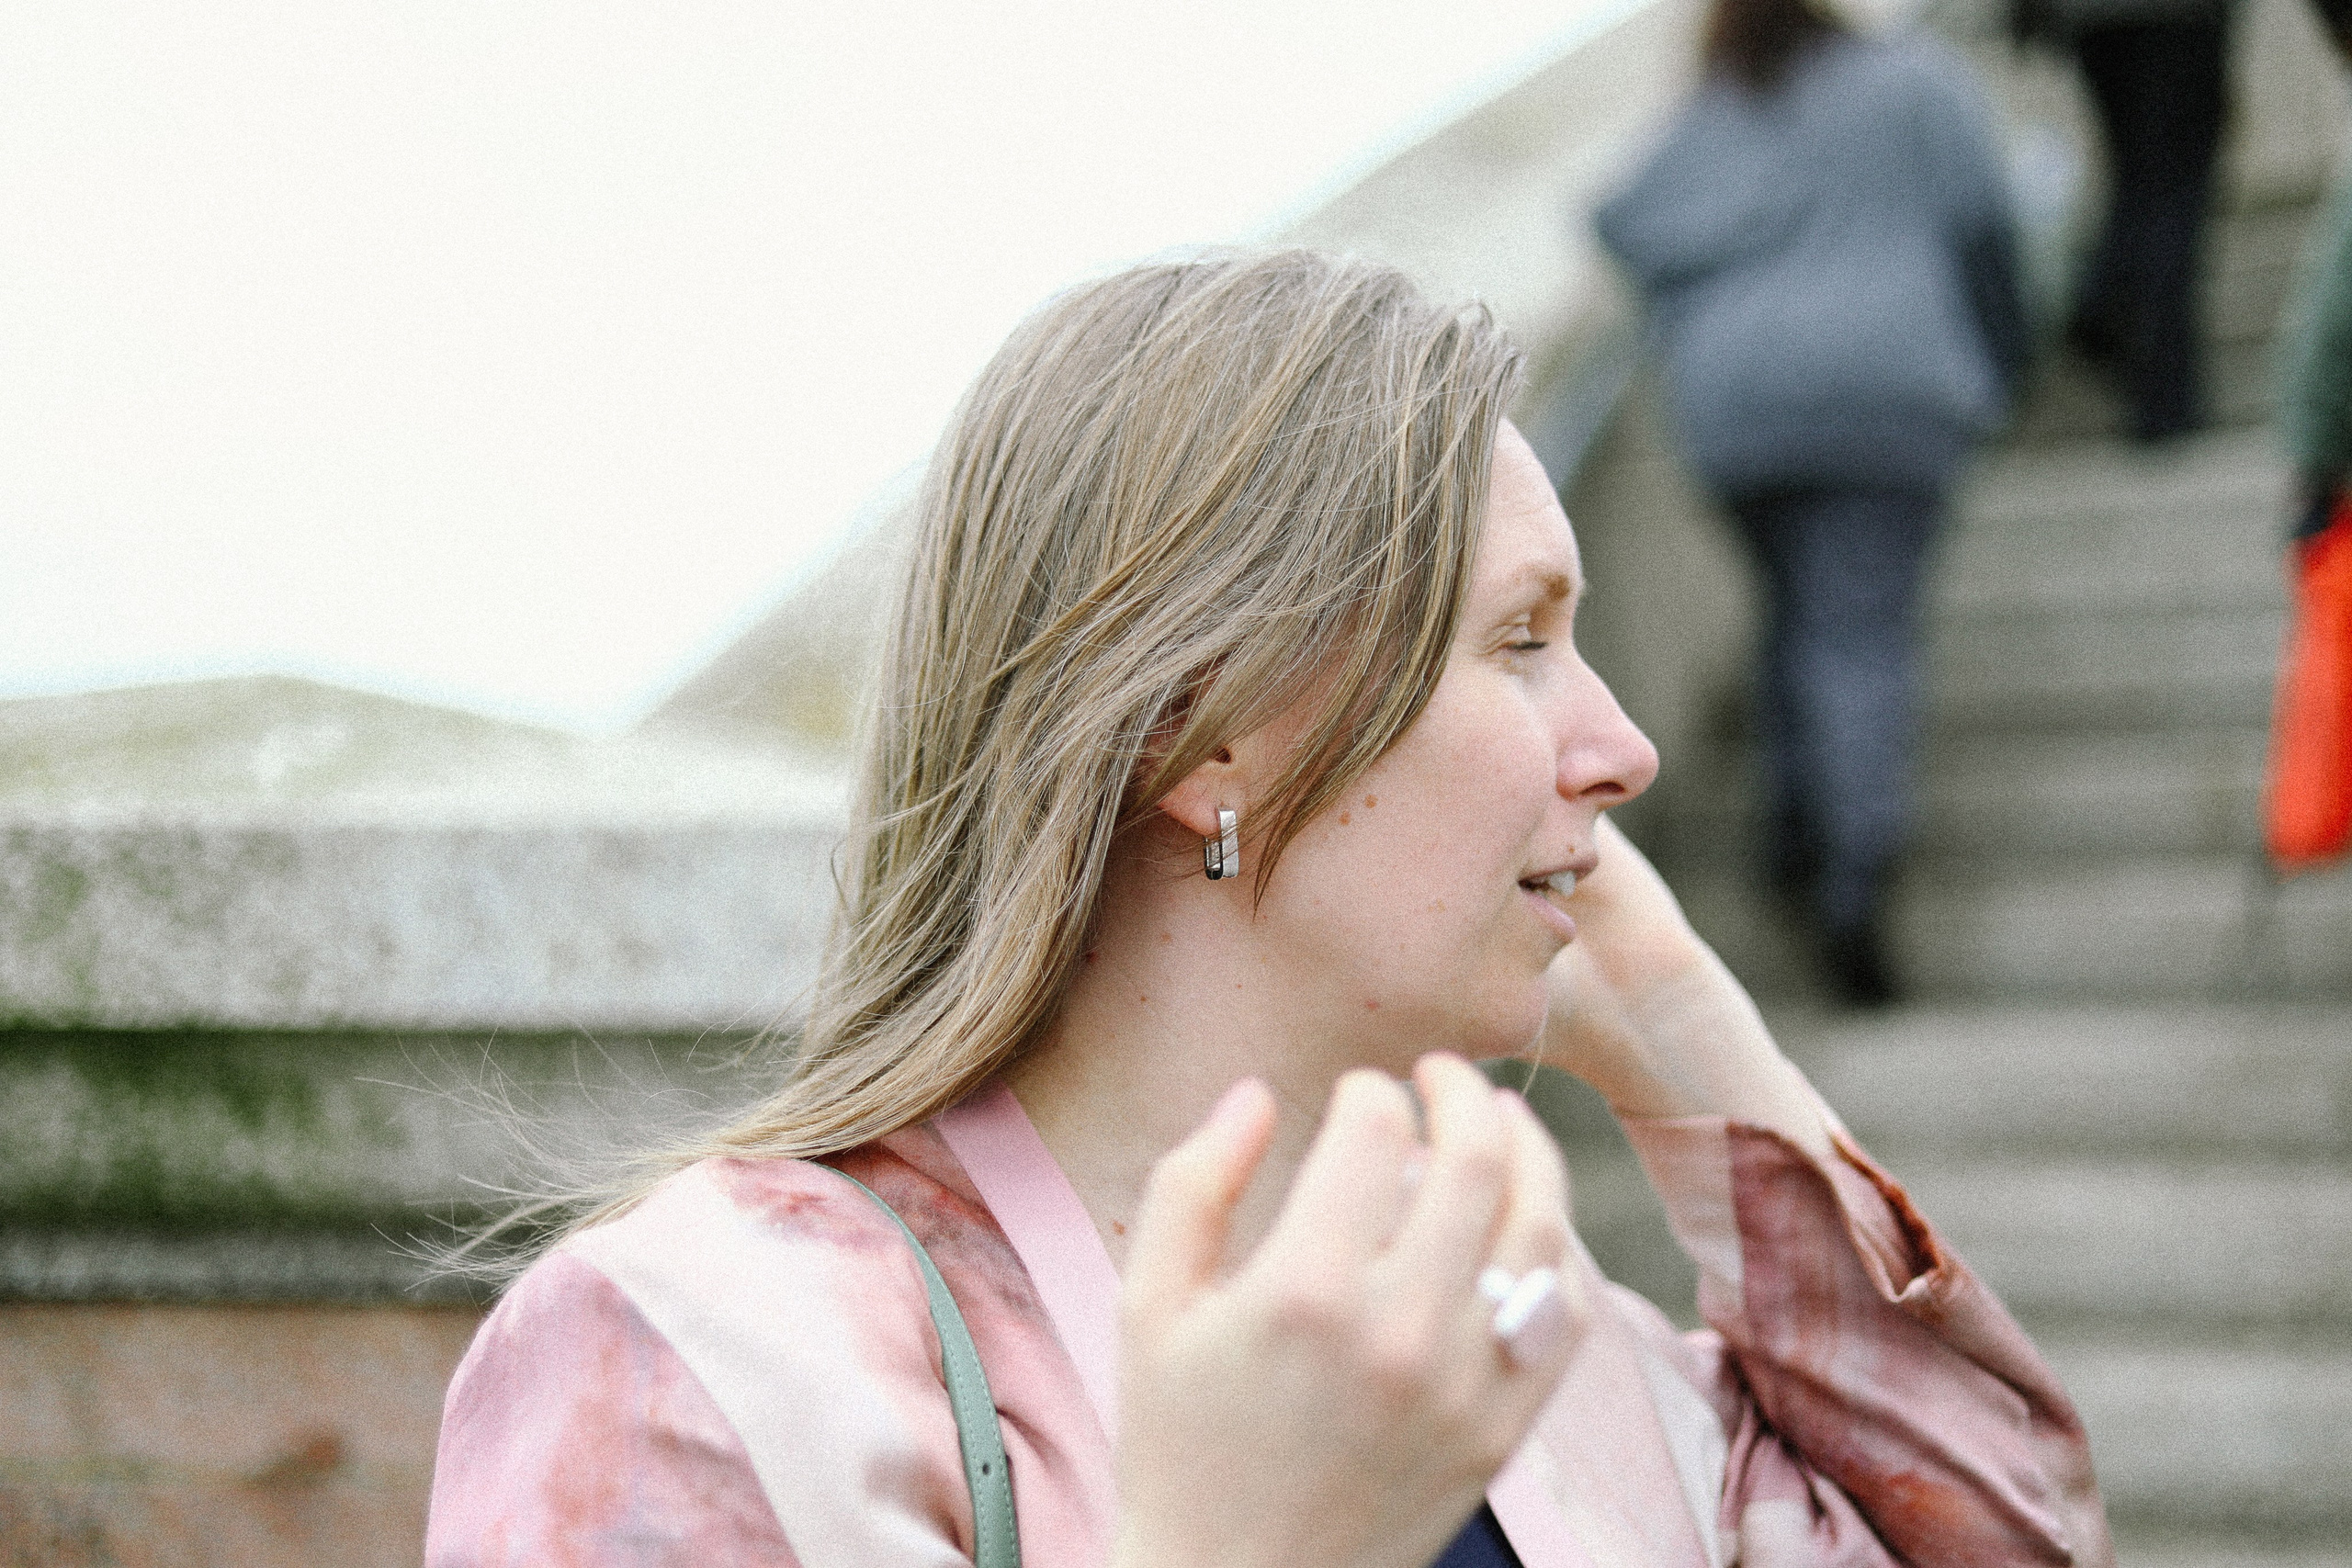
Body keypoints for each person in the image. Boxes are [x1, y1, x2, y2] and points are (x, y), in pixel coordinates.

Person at [424, 251, 2110, 1568]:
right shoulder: (706, 1358)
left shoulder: (1509, 1332)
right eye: (1522, 640)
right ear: (1206, 731)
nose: (1626, 746)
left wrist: (1678, 1029)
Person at [1593, 0, 2028, 1005]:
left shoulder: (1712, 111)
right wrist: (2005, 362)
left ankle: (1792, 829)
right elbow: (1988, 232)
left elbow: (1619, 219)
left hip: (1738, 409)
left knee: (1801, 617)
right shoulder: (1913, 84)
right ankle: (1855, 877)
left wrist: (1710, 285)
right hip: (1890, 391)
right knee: (1860, 632)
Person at [2015, 0, 2235, 443]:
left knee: (2141, 178)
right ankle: (2163, 391)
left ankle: (2101, 304)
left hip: (2091, 19)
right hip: (2176, 18)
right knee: (2171, 190)